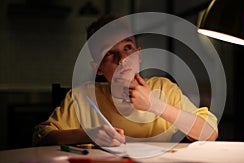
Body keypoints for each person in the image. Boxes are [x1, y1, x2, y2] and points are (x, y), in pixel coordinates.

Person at [32, 14, 218, 147]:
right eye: (109, 53)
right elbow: (42, 136)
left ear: (139, 54)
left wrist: (156, 106)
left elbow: (210, 134)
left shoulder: (164, 88)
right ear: (97, 68)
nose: (122, 59)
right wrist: (89, 135)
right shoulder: (82, 96)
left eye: (127, 47)